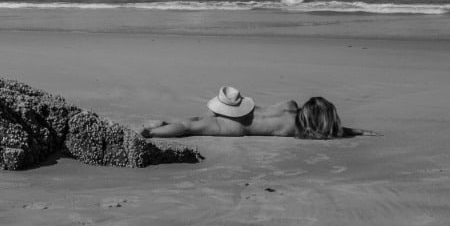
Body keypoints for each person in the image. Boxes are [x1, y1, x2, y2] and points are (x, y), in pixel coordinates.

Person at [139, 86, 374, 139]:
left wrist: (356, 131)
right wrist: (358, 132)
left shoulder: (289, 104)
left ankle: (161, 126)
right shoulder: (295, 129)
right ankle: (152, 133)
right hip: (240, 128)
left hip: (240, 112)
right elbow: (333, 130)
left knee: (196, 122)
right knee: (193, 128)